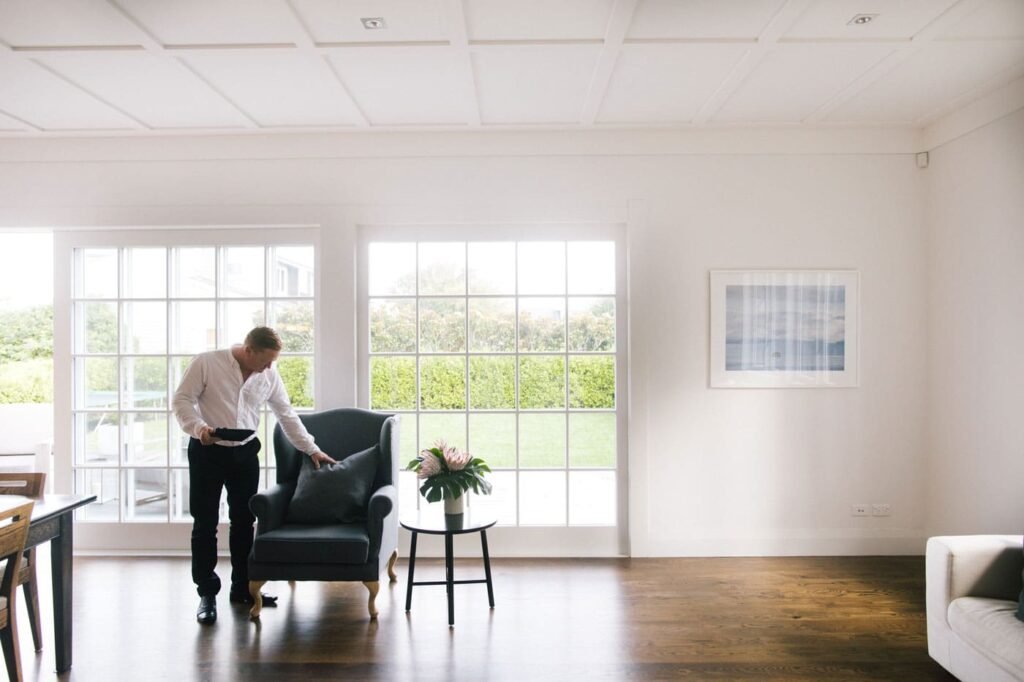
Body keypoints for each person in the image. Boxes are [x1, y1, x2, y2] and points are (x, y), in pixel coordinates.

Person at [172, 326, 336, 625]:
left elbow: (286, 414)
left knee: (244, 522)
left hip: (245, 453)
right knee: (205, 523)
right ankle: (207, 594)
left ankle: (243, 589)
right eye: (266, 360)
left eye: (273, 361)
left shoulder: (269, 375)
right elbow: (181, 400)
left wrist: (311, 449)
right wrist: (199, 429)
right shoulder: (207, 362)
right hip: (207, 451)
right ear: (248, 350)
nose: (270, 367)